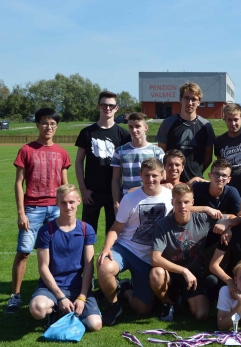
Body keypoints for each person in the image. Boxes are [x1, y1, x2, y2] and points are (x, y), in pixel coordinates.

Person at [6, 108, 71, 314]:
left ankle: (56, 292)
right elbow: (18, 183)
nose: (48, 127)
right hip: (32, 208)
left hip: (55, 209)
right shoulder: (26, 150)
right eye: (44, 123)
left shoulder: (62, 152)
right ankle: (15, 297)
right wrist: (21, 213)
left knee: (58, 252)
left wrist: (67, 210)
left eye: (52, 124)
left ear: (56, 126)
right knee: (24, 252)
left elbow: (65, 186)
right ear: (37, 125)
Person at [97, 158, 173, 326]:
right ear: (140, 175)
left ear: (162, 175)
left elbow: (186, 210)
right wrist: (106, 248)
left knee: (142, 310)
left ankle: (126, 290)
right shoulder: (130, 198)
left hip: (151, 256)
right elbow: (116, 228)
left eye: (154, 175)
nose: (150, 179)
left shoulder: (171, 197)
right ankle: (114, 306)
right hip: (127, 248)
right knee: (104, 267)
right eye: (146, 175)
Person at [150, 184, 239, 322]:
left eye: (186, 202)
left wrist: (226, 225)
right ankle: (167, 303)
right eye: (178, 202)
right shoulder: (162, 225)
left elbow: (237, 217)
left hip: (195, 274)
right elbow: (155, 259)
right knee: (156, 273)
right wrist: (184, 270)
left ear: (192, 203)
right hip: (171, 273)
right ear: (172, 202)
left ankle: (182, 298)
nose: (182, 206)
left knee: (201, 315)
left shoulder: (202, 218)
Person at [29, 185, 101, 331]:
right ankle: (56, 310)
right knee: (37, 309)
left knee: (95, 325)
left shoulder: (86, 229)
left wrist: (82, 297)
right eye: (63, 202)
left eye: (71, 202)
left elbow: (88, 266)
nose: (68, 206)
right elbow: (43, 267)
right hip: (51, 287)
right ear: (57, 203)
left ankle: (69, 311)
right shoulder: (46, 230)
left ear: (79, 201)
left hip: (77, 287)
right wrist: (61, 297)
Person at [75, 91, 130, 236]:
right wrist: (83, 189)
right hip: (91, 192)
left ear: (116, 108)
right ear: (98, 107)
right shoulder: (87, 132)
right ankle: (86, 260)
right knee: (86, 233)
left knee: (113, 234)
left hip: (115, 193)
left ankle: (109, 259)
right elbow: (79, 161)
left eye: (111, 106)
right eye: (104, 105)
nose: (108, 108)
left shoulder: (124, 135)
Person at [157, 82, 216, 182]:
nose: (190, 103)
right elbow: (161, 155)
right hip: (171, 182)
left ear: (199, 102)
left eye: (194, 99)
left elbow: (208, 158)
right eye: (186, 98)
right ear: (180, 99)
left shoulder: (206, 126)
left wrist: (197, 174)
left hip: (196, 182)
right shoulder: (168, 123)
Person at [111, 112, 164, 209]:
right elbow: (115, 180)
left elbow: (162, 178)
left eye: (137, 126)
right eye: (131, 127)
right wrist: (116, 202)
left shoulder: (157, 152)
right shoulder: (120, 151)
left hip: (151, 201)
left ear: (146, 128)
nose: (134, 130)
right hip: (128, 200)